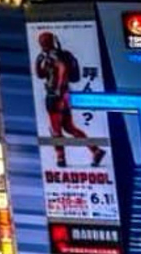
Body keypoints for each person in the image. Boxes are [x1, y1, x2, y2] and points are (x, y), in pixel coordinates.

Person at [35, 32, 105, 167]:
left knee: (56, 129)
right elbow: (41, 74)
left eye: (43, 42)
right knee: (68, 127)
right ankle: (95, 150)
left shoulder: (54, 55)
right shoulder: (49, 56)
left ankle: (61, 158)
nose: (41, 44)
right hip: (61, 94)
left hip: (56, 95)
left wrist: (58, 89)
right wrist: (39, 62)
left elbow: (62, 69)